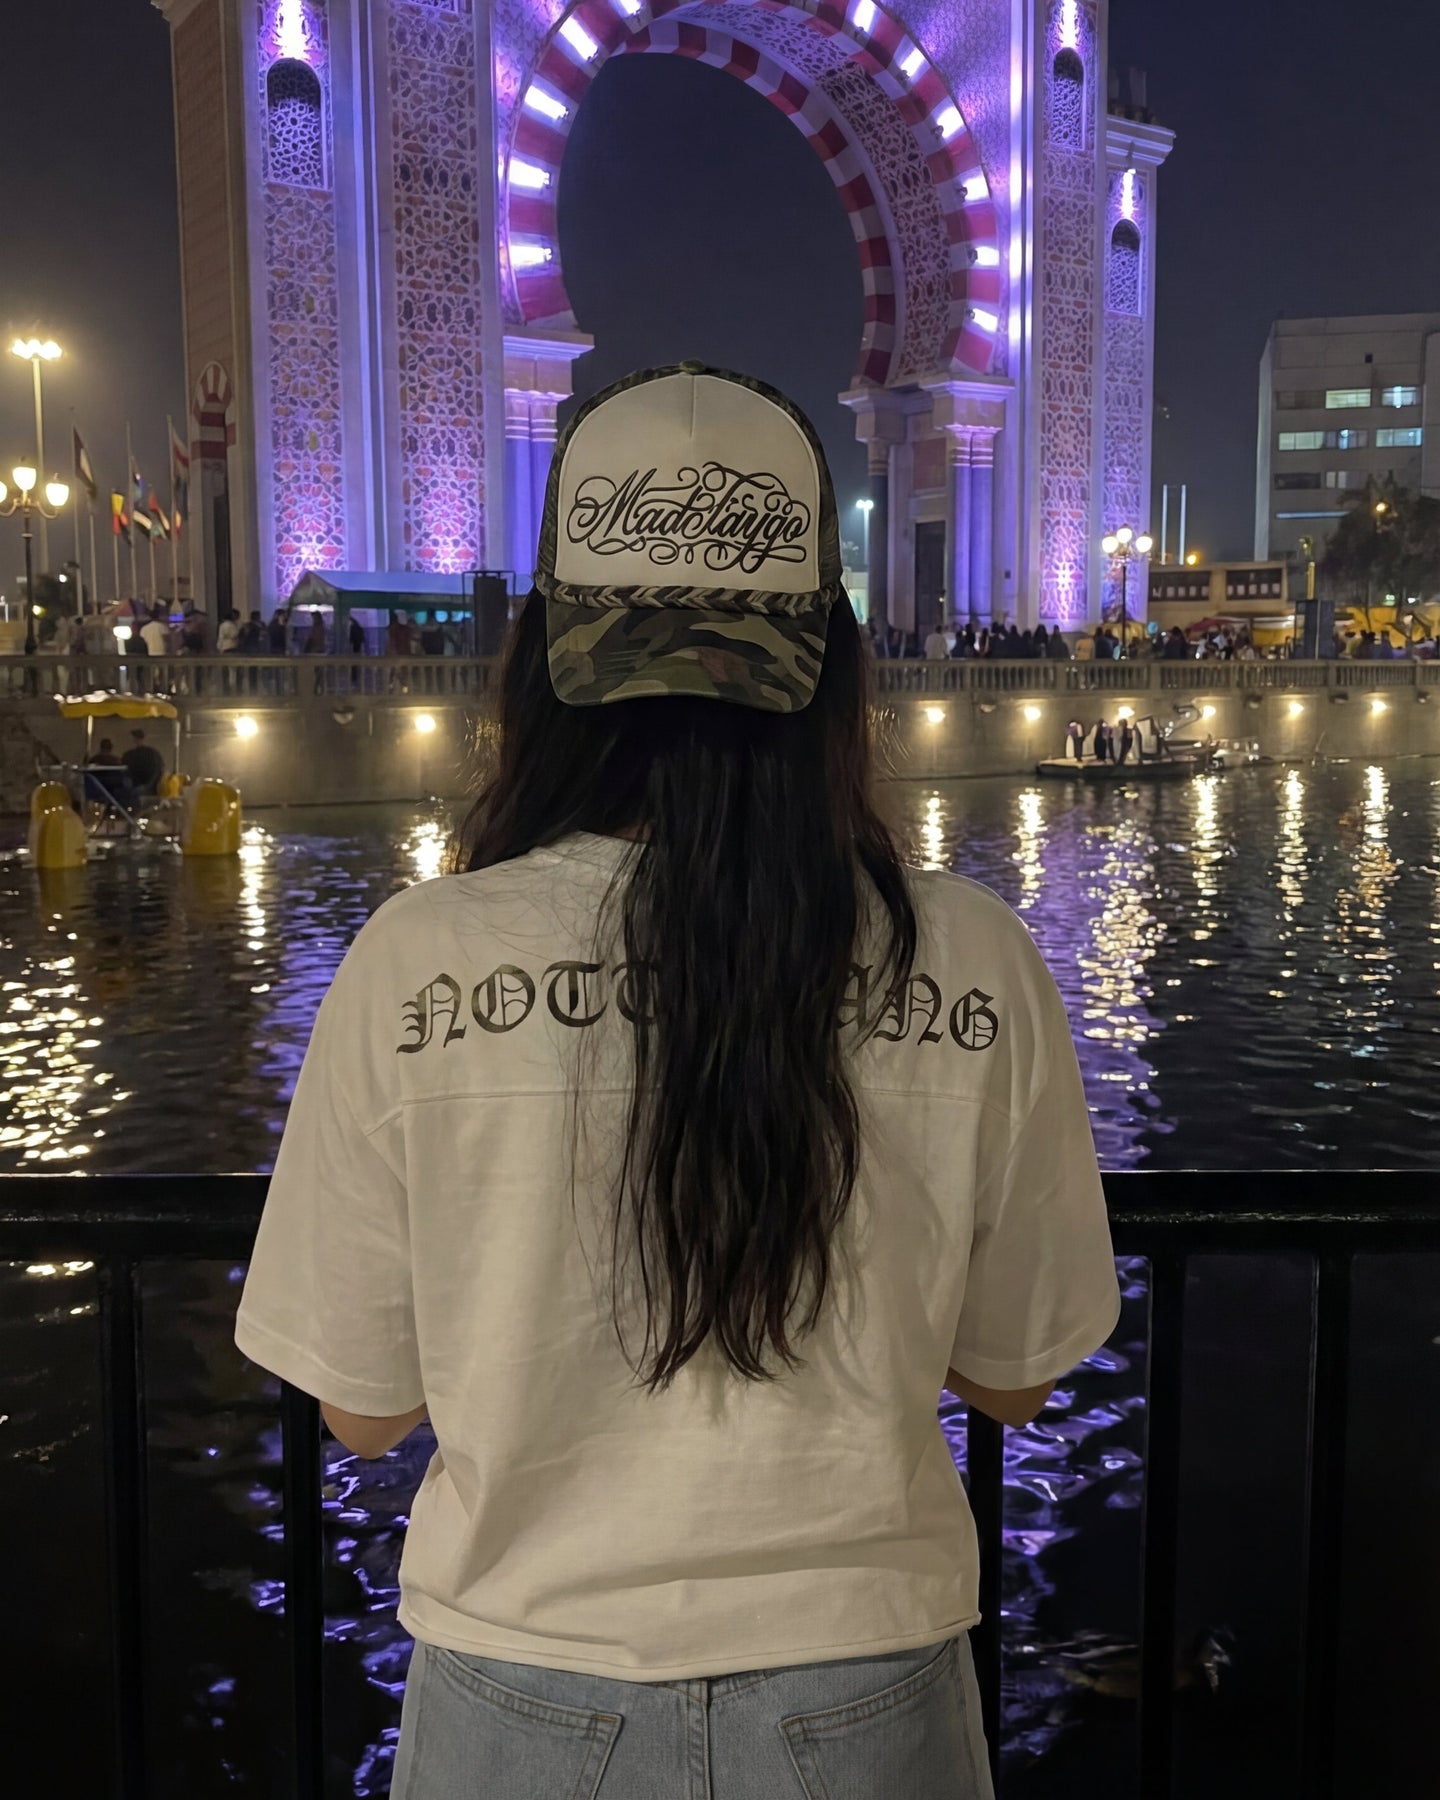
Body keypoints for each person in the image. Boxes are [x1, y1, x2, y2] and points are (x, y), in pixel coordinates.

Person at [231, 363, 1118, 1800]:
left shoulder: (419, 961)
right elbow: (1017, 1377)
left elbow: (364, 1410)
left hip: (519, 1696)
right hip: (868, 1693)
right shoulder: (970, 959)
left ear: (547, 661)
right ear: (833, 667)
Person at [122, 728, 165, 797]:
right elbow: (159, 769)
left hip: (141, 786)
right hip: (148, 786)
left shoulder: (129, 755)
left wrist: (148, 786)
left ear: (135, 739)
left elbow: (125, 771)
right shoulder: (153, 753)